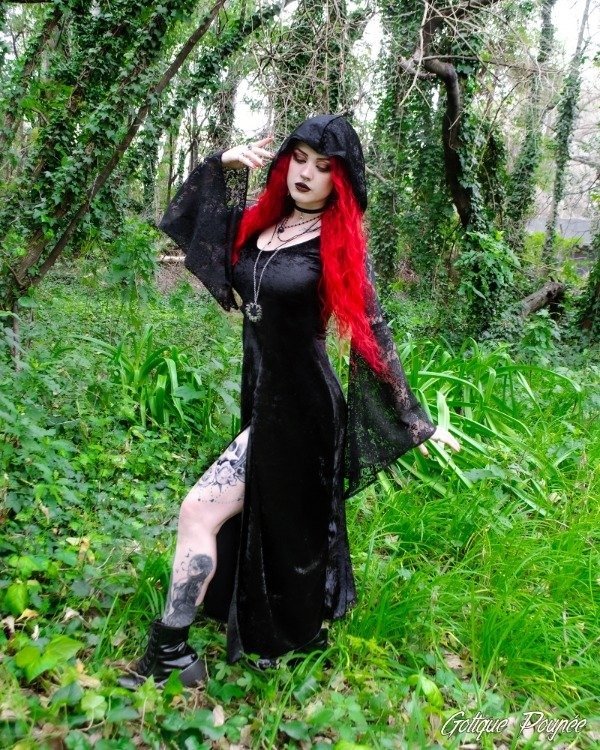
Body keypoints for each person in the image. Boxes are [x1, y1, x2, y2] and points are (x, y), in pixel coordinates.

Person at [118, 114, 460, 690]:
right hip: (264, 397)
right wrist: (219, 165)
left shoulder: (337, 245)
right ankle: (256, 632)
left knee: (203, 510)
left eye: (323, 167)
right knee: (272, 522)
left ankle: (170, 649)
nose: (306, 173)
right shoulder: (263, 224)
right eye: (299, 159)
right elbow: (187, 224)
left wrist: (411, 418)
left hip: (302, 410)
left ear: (340, 182)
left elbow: (373, 333)